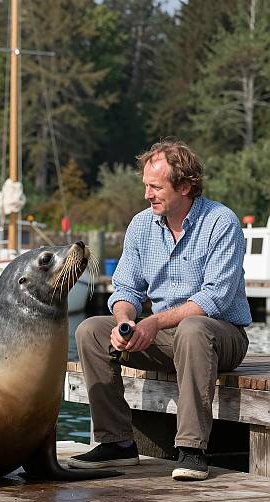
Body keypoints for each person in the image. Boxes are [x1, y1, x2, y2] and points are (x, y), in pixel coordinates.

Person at [68, 139, 251, 481]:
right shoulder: (140, 225)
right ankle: (117, 444)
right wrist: (125, 323)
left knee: (194, 327)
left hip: (220, 336)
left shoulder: (221, 223)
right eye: (145, 186)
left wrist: (151, 322)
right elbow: (126, 289)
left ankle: (192, 449)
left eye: (155, 186)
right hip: (166, 336)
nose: (147, 194)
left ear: (184, 186)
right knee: (90, 330)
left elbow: (213, 299)